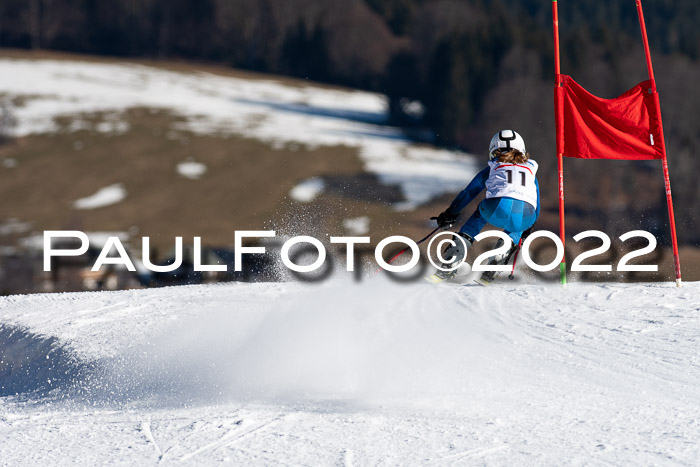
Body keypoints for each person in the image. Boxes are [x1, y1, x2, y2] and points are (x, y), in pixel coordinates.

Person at [431, 129, 540, 281]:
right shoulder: (530, 169)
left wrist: (451, 213)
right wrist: (527, 228)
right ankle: (500, 256)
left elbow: (469, 192)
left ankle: (452, 261)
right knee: (517, 224)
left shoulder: (494, 166)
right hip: (526, 214)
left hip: (497, 207)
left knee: (479, 214)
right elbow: (536, 203)